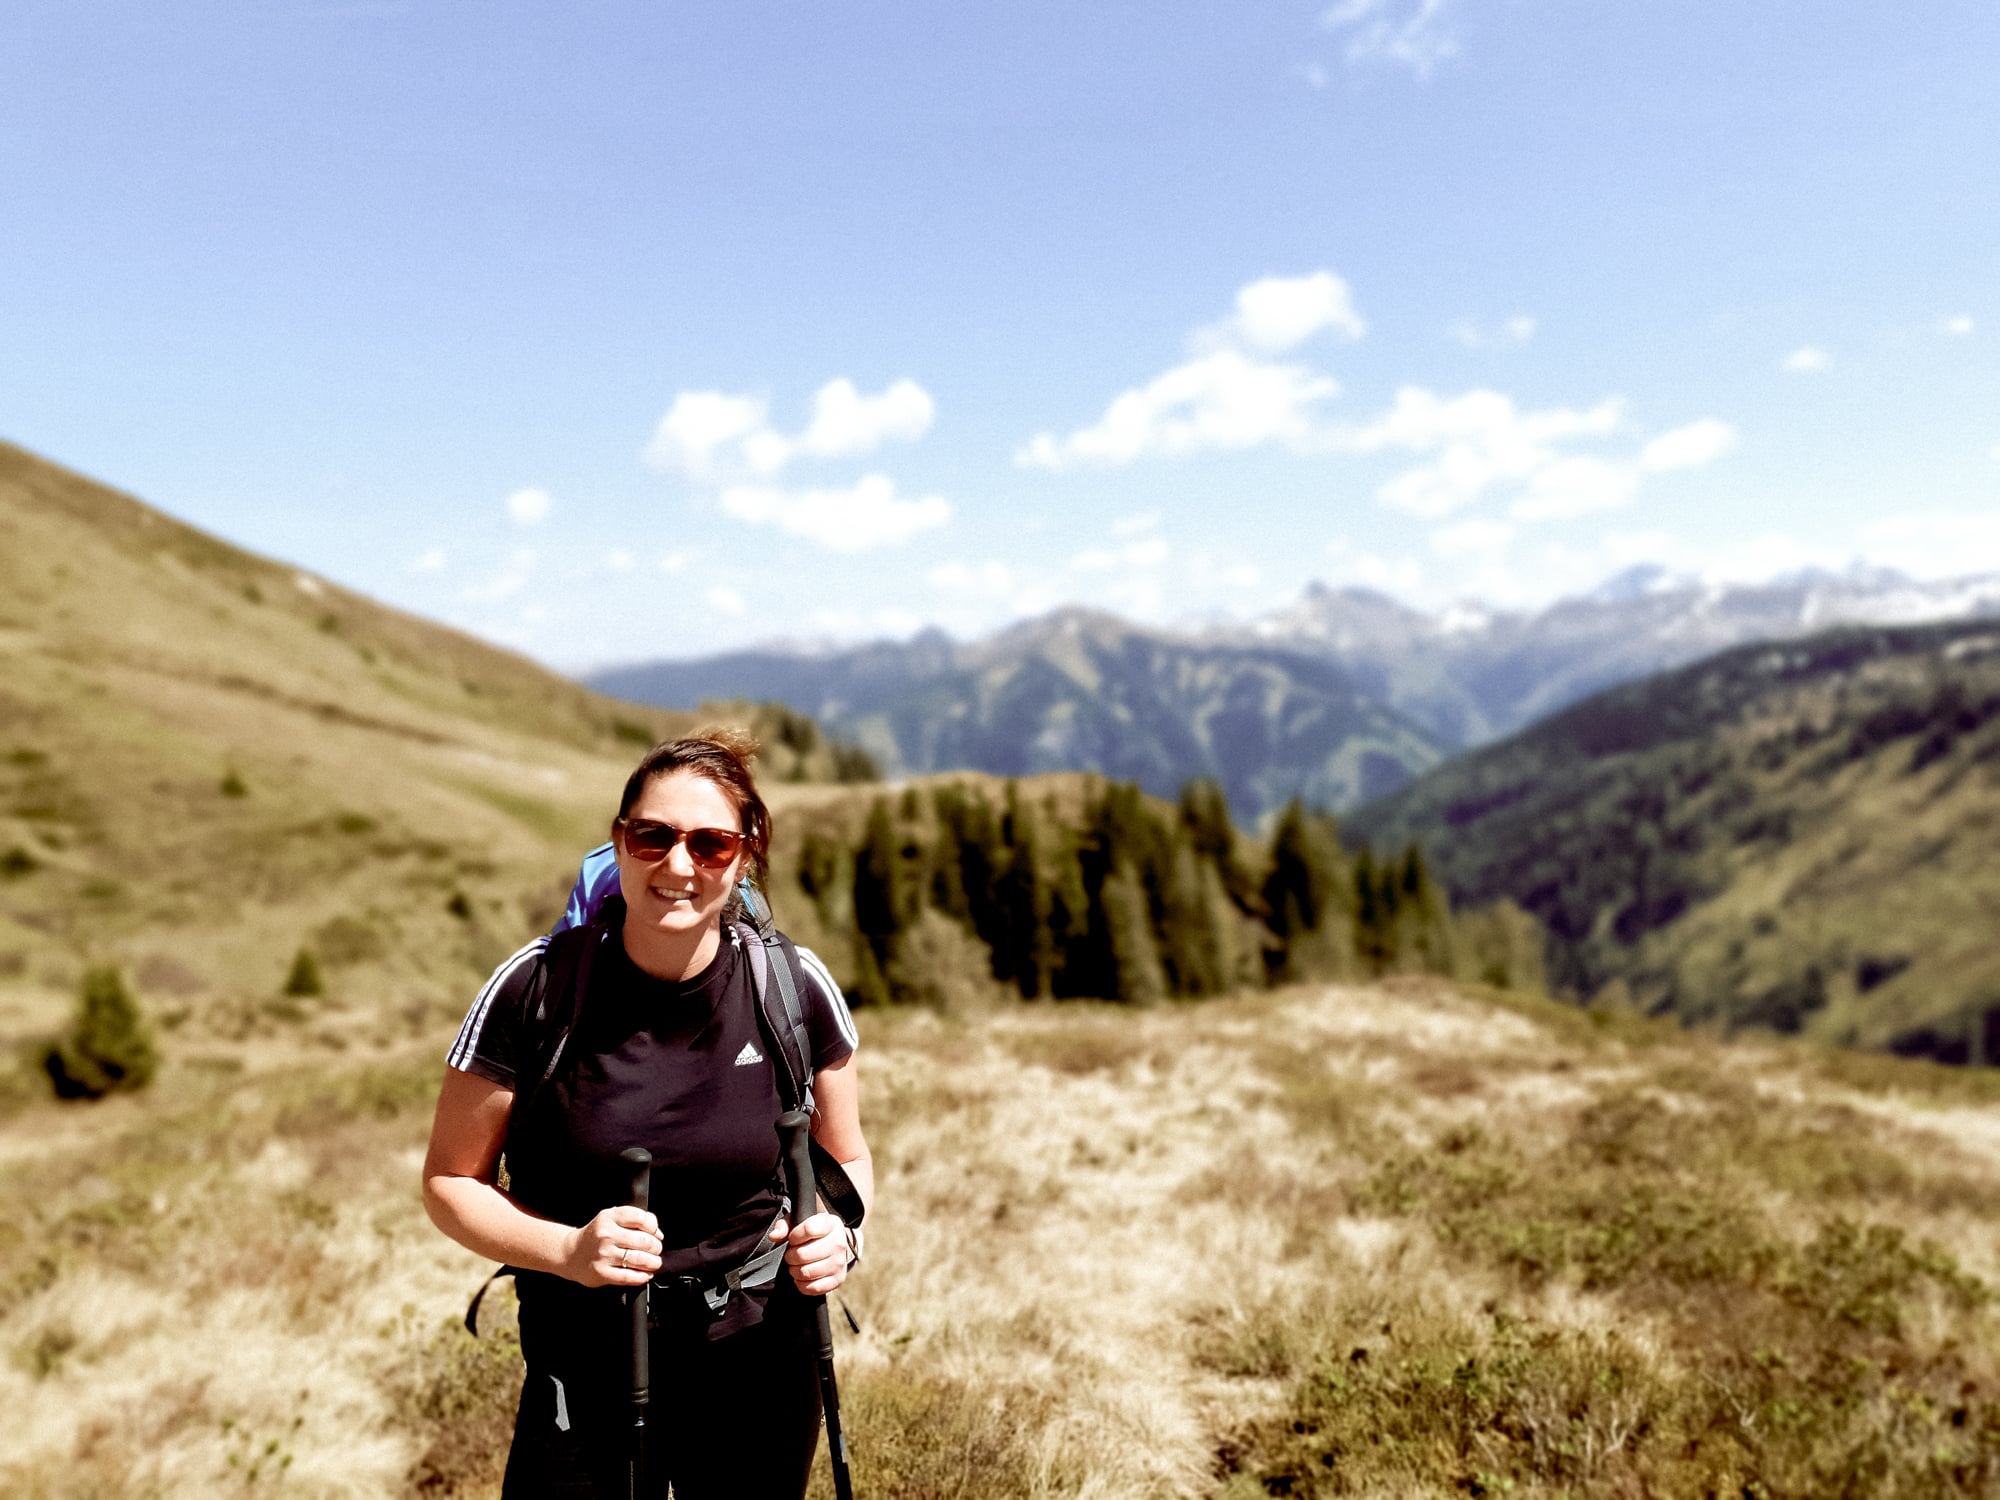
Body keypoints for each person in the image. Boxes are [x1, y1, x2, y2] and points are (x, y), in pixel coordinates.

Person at [423, 728, 871, 1498]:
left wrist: (845, 1237)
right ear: (619, 841)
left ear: (745, 851)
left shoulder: (792, 986)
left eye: (711, 844)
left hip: (764, 1348)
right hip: (588, 1352)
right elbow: (448, 1184)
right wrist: (568, 1251)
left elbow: (848, 1162)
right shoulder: (534, 990)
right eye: (652, 837)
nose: (678, 865)